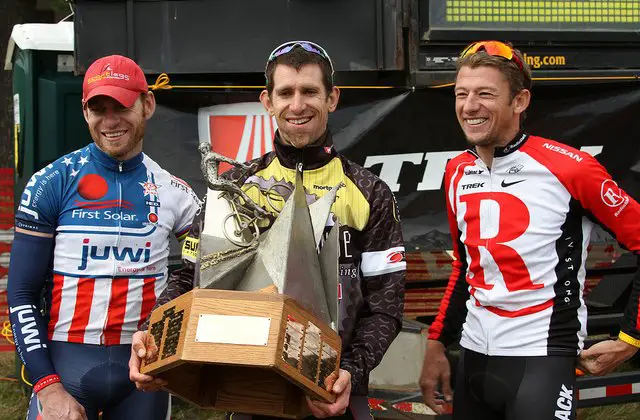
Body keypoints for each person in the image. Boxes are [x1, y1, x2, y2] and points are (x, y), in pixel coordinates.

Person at [128, 40, 406, 419]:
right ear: (267, 101)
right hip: (248, 388)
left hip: (331, 394)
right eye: (285, 92)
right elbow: (187, 279)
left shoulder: (369, 191)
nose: (297, 105)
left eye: (309, 91)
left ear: (332, 98)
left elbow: (385, 306)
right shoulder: (235, 187)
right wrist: (152, 336)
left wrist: (350, 373)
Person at [419, 40, 640, 420]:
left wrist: (630, 338)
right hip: (474, 354)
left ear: (519, 101)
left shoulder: (572, 168)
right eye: (461, 94)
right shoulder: (456, 170)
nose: (469, 106)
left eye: (485, 94)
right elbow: (464, 268)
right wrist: (437, 343)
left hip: (543, 354)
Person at [8, 54, 201, 420]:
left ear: (147, 104)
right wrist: (47, 385)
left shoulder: (175, 192)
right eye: (99, 108)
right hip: (67, 365)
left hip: (143, 369)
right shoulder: (52, 182)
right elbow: (21, 294)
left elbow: (208, 275)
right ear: (85, 113)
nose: (110, 120)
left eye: (121, 106)